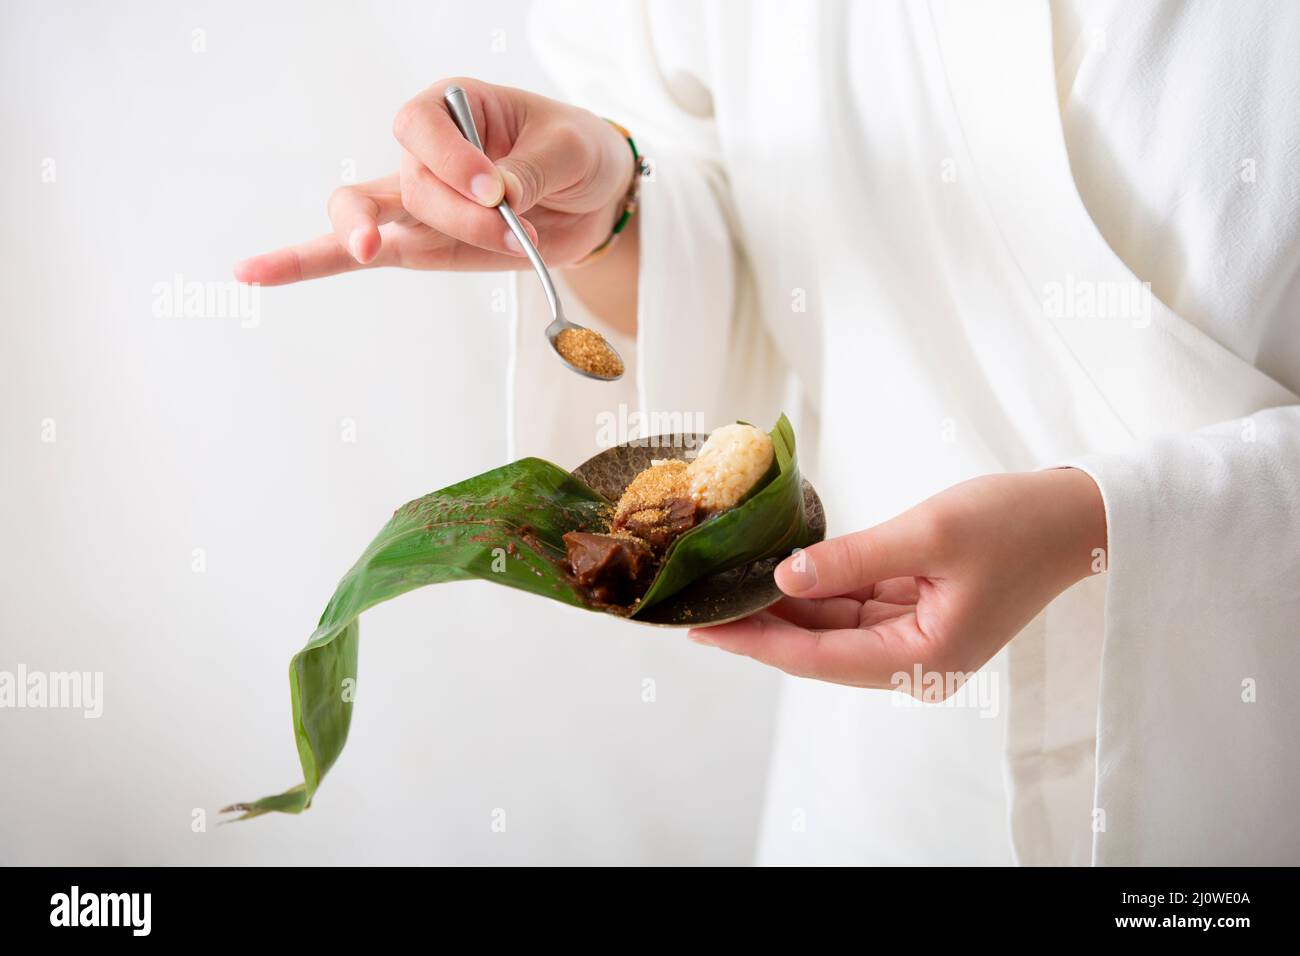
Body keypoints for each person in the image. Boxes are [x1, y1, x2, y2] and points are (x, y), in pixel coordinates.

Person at [235, 0, 1300, 865]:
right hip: (887, 779)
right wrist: (610, 212)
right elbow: (763, 248)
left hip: (1246, 759)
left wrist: (1104, 526)